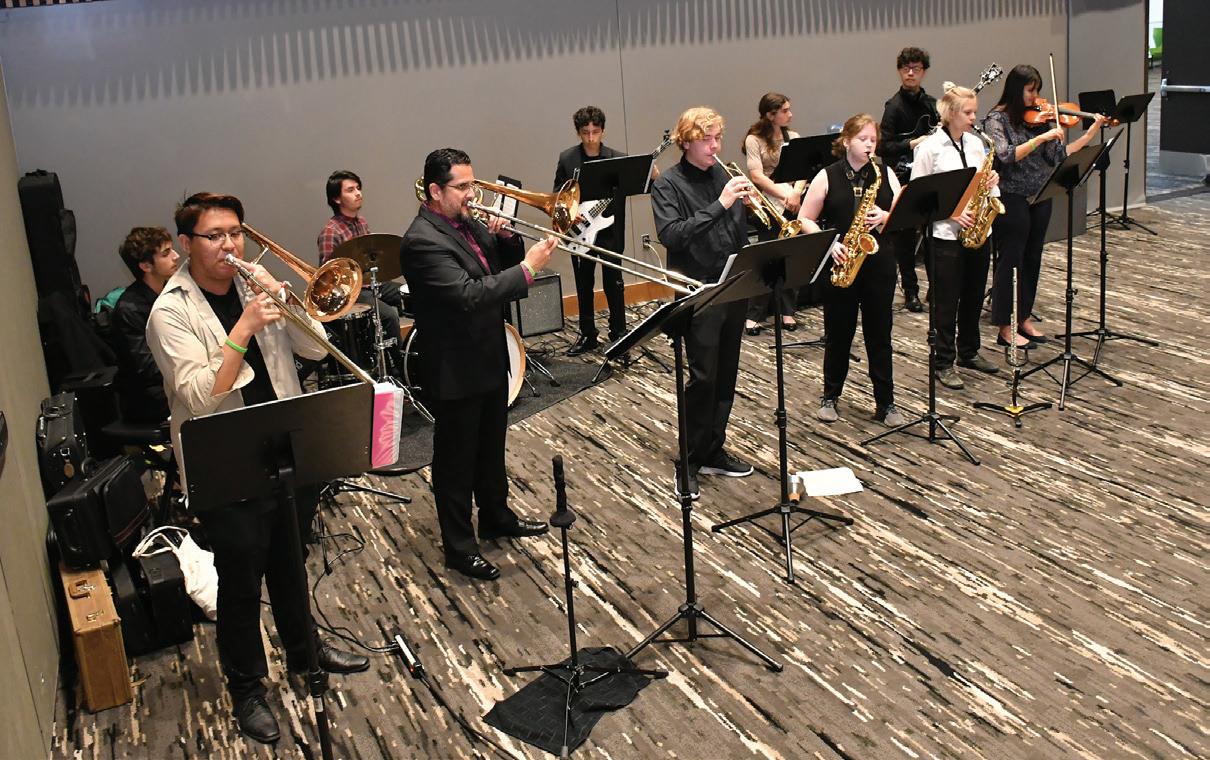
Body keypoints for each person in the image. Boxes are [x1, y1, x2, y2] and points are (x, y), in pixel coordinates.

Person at [147, 192, 368, 744]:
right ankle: (247, 688)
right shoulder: (169, 312)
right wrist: (243, 328)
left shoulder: (254, 285)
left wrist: (291, 303)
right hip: (225, 458)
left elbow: (315, 352)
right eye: (214, 236)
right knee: (241, 582)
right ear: (187, 244)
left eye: (235, 233)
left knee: (291, 561)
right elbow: (200, 396)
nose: (229, 245)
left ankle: (304, 652)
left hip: (286, 443)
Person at [401, 148, 557, 582]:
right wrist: (528, 269)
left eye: (473, 183)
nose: (472, 194)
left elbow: (495, 270)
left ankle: (495, 516)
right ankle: (459, 547)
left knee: (490, 446)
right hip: (455, 365)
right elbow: (469, 294)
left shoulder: (466, 223)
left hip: (488, 353)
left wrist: (506, 240)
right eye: (463, 187)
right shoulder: (421, 240)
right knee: (455, 461)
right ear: (435, 190)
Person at [650, 106, 756, 500]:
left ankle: (713, 449)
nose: (715, 146)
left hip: (733, 284)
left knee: (726, 374)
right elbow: (673, 235)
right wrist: (722, 204)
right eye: (707, 139)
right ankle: (689, 460)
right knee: (703, 377)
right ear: (686, 142)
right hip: (699, 290)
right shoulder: (669, 185)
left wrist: (752, 209)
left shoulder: (724, 176)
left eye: (718, 138)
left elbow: (735, 229)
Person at [983, 64, 1106, 348]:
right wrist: (1041, 138)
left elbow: (1058, 155)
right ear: (1016, 89)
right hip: (1011, 197)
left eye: (1037, 90)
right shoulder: (996, 119)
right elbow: (1006, 155)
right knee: (1010, 261)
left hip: (1039, 195)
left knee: (1032, 257)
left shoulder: (1039, 119)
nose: (1036, 97)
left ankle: (1023, 317)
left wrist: (1090, 134)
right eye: (1030, 90)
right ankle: (1004, 327)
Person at [798, 114, 905, 427]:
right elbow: (805, 218)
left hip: (879, 263)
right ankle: (830, 396)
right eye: (862, 139)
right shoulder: (827, 175)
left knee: (880, 334)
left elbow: (901, 212)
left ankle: (885, 402)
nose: (869, 145)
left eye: (873, 139)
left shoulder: (884, 173)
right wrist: (829, 243)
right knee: (838, 334)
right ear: (846, 141)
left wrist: (885, 216)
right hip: (841, 261)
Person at [910, 84, 1002, 390]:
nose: (974, 118)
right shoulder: (930, 149)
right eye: (968, 112)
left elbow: (983, 184)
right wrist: (951, 214)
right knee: (946, 301)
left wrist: (992, 182)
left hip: (978, 232)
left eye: (975, 111)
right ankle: (943, 361)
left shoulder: (976, 144)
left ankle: (969, 350)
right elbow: (919, 196)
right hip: (945, 235)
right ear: (950, 114)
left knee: (974, 294)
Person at [554, 106, 628, 354]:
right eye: (585, 133)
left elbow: (634, 185)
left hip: (609, 230)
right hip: (580, 230)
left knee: (613, 283)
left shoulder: (617, 159)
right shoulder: (567, 159)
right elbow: (558, 194)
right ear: (578, 132)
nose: (590, 138)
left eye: (595, 132)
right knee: (583, 284)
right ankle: (588, 335)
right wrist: (569, 212)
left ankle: (619, 333)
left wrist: (651, 174)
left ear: (602, 131)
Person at [317, 170, 404, 373]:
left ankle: (418, 352)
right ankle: (400, 370)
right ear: (336, 199)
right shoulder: (331, 232)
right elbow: (329, 278)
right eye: (350, 190)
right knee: (389, 315)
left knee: (411, 294)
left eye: (358, 188)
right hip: (353, 292)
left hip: (371, 283)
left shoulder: (361, 222)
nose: (358, 193)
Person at [879, 46, 938, 313]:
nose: (910, 73)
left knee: (933, 234)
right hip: (902, 177)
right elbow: (884, 147)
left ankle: (936, 287)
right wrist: (913, 143)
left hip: (928, 177)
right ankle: (911, 291)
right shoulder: (893, 107)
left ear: (923, 72)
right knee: (904, 240)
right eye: (906, 68)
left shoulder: (932, 104)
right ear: (899, 71)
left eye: (916, 68)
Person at [742, 92, 806, 335]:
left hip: (792, 202)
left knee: (791, 257)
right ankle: (754, 315)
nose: (790, 114)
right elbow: (757, 176)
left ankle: (788, 311)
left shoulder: (794, 137)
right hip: (768, 204)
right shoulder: (754, 139)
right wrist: (784, 195)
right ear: (770, 115)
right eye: (785, 111)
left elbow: (803, 170)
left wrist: (796, 193)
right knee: (766, 258)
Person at [112, 226, 178, 423]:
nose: (176, 256)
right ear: (146, 266)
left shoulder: (170, 292)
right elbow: (146, 368)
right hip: (147, 397)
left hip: (171, 380)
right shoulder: (129, 309)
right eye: (166, 253)